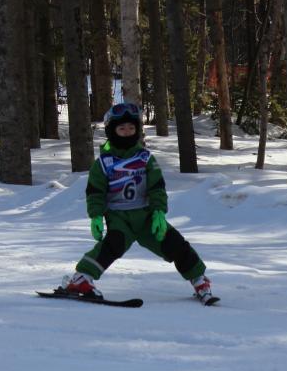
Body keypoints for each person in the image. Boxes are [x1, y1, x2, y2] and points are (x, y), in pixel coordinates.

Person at [60, 102, 217, 304]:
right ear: (112, 131)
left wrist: (159, 212)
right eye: (122, 128)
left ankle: (199, 279)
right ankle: (80, 278)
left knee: (174, 243)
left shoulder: (145, 158)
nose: (127, 133)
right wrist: (96, 215)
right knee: (110, 247)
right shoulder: (104, 163)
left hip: (146, 217)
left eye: (131, 128)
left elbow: (157, 186)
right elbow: (95, 192)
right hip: (119, 218)